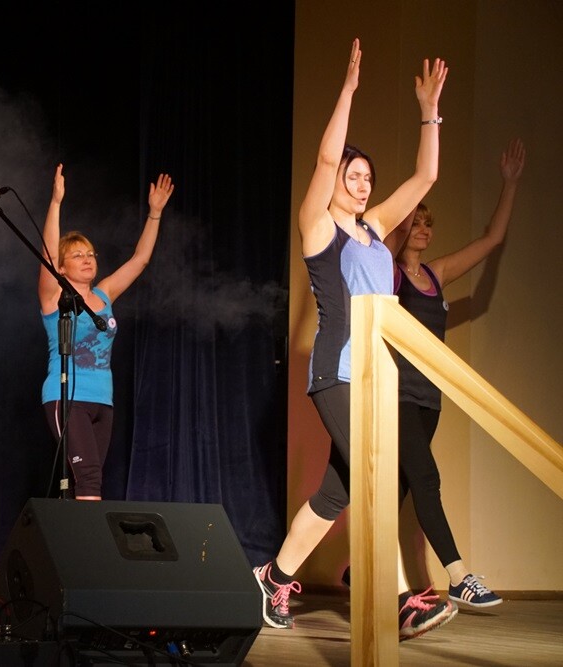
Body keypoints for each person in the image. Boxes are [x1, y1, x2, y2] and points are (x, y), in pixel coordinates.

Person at [251, 38, 458, 640]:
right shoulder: (319, 228)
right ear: (337, 180)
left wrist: (430, 113)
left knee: (336, 494)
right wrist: (347, 90)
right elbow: (323, 160)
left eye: (368, 177)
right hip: (335, 374)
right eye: (354, 175)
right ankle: (400, 601)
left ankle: (273, 576)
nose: (363, 185)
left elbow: (427, 175)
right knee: (373, 477)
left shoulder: (375, 228)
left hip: (373, 378)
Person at [373, 138, 525, 608]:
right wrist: (412, 197)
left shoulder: (436, 274)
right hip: (396, 395)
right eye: (415, 222)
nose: (422, 229)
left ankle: (361, 569)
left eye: (427, 223)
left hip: (428, 399)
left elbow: (491, 240)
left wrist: (509, 184)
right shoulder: (389, 274)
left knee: (401, 487)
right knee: (426, 480)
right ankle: (458, 576)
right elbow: (388, 236)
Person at [38, 163, 174, 500]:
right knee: (88, 477)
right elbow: (47, 255)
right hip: (67, 398)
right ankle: (91, 538)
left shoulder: (104, 294)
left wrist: (155, 213)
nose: (87, 259)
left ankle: (71, 535)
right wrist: (55, 203)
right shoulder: (54, 297)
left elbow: (140, 260)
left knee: (85, 479)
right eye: (77, 255)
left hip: (103, 401)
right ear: (62, 267)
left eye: (90, 254)